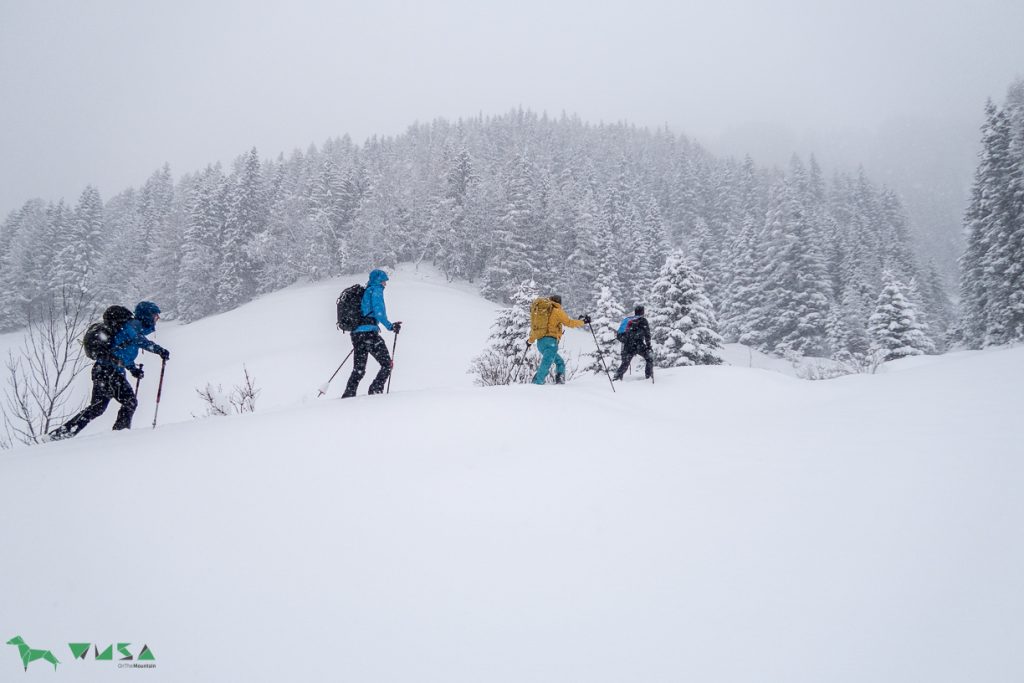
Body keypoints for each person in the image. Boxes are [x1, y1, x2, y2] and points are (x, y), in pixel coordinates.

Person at [47, 301, 170, 440]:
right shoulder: (132, 327)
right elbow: (139, 340)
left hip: (103, 370)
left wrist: (132, 369)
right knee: (129, 402)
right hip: (109, 371)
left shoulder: (129, 328)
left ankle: (60, 435)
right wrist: (159, 350)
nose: (156, 319)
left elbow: (121, 353)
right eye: (155, 316)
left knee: (97, 408)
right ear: (147, 315)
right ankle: (119, 437)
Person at [342, 269, 402, 398]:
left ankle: (348, 395)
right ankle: (375, 391)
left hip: (357, 335)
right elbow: (379, 311)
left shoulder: (365, 291)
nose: (385, 283)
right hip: (369, 334)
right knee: (387, 364)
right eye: (384, 281)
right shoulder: (376, 290)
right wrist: (391, 326)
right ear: (378, 280)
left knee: (359, 370)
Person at [529, 294, 590, 385]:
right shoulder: (557, 311)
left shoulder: (544, 312)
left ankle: (559, 381)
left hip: (540, 343)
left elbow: (536, 329)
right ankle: (537, 383)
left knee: (559, 362)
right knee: (546, 363)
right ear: (559, 302)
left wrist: (530, 341)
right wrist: (583, 322)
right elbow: (569, 323)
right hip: (551, 343)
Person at [613, 305, 653, 381]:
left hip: (628, 345)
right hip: (639, 344)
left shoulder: (627, 320)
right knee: (649, 358)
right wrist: (648, 346)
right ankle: (649, 377)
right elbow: (647, 334)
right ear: (642, 312)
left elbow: (621, 333)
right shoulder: (643, 320)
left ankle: (616, 378)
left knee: (625, 364)